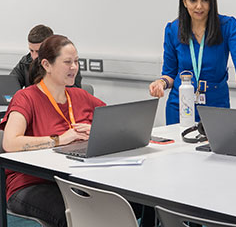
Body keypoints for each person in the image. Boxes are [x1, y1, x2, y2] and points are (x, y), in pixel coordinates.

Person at [0, 35, 154, 226]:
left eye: (76, 61)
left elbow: (117, 124)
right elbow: (10, 142)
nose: (74, 67)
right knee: (78, 213)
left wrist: (96, 129)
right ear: (46, 65)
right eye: (67, 62)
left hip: (76, 179)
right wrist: (59, 139)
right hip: (32, 183)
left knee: (145, 202)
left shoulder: (80, 96)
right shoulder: (26, 98)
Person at [149, 0, 236, 125]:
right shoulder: (173, 29)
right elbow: (170, 73)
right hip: (180, 107)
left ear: (212, 1)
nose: (199, 6)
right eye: (193, 0)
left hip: (216, 107)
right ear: (184, 1)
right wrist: (161, 83)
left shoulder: (228, 26)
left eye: (205, 0)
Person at [10, 24, 82, 88]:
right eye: (31, 51)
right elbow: (10, 84)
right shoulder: (25, 62)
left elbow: (73, 94)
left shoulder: (67, 64)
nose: (34, 56)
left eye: (38, 51)